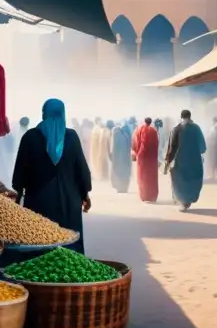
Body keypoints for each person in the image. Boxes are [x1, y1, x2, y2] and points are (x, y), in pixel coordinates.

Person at [13, 100, 92, 252]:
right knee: (70, 245)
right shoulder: (71, 137)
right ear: (63, 114)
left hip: (38, 203)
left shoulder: (30, 137)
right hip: (69, 202)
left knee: (39, 248)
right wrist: (85, 194)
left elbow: (20, 173)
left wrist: (18, 194)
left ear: (44, 114)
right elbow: (81, 169)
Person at [165, 110, 207, 210]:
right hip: (194, 160)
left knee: (180, 180)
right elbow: (203, 147)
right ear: (190, 116)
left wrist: (168, 161)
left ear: (181, 117)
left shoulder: (176, 129)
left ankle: (182, 201)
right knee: (193, 180)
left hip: (180, 161)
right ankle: (188, 200)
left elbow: (171, 147)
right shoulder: (196, 128)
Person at [132, 117, 160, 203]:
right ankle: (152, 196)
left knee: (142, 176)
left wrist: (135, 154)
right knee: (151, 177)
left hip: (142, 157)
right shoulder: (154, 131)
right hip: (152, 158)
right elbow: (157, 144)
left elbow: (135, 142)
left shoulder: (139, 129)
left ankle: (144, 196)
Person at [109, 120, 132, 193]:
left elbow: (114, 148)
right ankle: (124, 189)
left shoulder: (116, 134)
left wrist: (112, 157)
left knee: (119, 173)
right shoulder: (126, 135)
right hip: (126, 159)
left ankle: (120, 188)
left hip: (118, 159)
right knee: (125, 174)